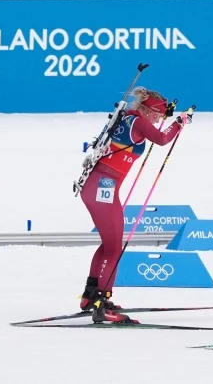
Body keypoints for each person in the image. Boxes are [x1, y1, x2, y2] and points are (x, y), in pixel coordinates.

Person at [80, 88, 191, 322]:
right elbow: (162, 139)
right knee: (114, 249)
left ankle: (91, 296)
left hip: (96, 187)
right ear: (149, 111)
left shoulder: (127, 117)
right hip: (103, 188)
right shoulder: (139, 122)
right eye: (158, 116)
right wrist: (179, 123)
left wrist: (171, 119)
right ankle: (102, 304)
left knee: (109, 245)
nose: (159, 120)